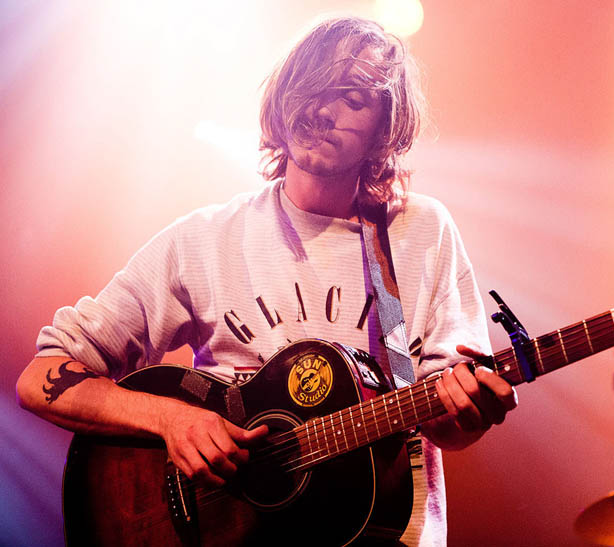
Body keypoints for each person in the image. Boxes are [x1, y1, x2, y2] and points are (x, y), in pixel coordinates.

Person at [16, 16, 517, 546]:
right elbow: (40, 379)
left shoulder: (420, 231)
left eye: (352, 96)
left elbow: (450, 426)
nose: (323, 109)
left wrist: (470, 408)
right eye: (313, 86)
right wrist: (170, 420)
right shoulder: (205, 240)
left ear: (384, 130)